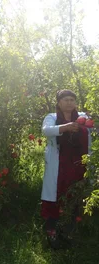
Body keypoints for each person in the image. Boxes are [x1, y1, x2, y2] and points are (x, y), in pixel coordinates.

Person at [41, 89, 91, 249]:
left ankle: (68, 231)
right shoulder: (52, 117)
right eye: (65, 100)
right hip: (59, 163)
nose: (69, 102)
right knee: (56, 196)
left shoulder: (83, 117)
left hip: (78, 164)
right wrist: (66, 127)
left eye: (71, 99)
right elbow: (46, 130)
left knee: (74, 195)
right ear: (59, 102)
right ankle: (52, 231)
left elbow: (93, 129)